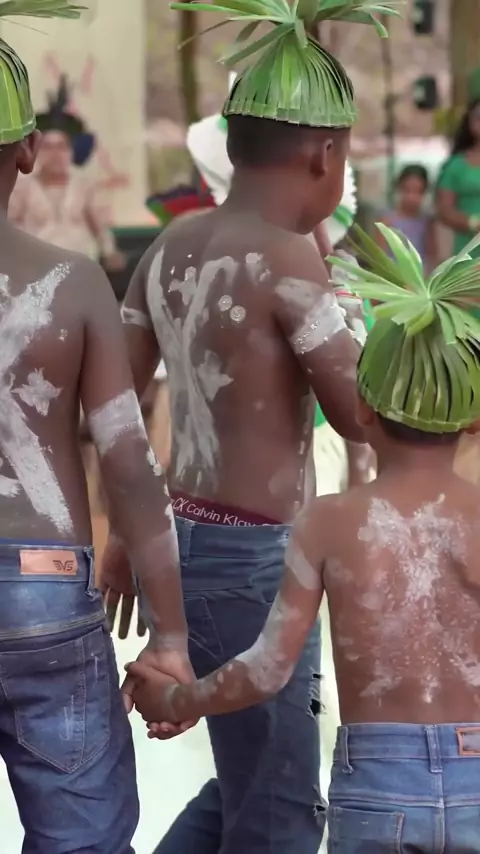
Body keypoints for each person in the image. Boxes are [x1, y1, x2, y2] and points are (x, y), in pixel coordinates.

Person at [107, 3, 401, 853]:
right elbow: (355, 414)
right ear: (325, 155)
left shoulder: (170, 245)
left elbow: (116, 413)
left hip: (180, 545)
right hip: (257, 562)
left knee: (250, 774)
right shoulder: (288, 252)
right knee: (278, 808)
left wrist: (127, 537)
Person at [127, 222, 480, 852]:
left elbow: (267, 670)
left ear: (361, 409)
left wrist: (179, 698)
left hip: (378, 789)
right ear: (473, 419)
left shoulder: (327, 522)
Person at [0, 3, 190, 852]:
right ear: (27, 151)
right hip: (44, 586)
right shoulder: (75, 285)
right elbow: (130, 465)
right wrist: (171, 640)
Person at [9, 74, 125, 271]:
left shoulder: (85, 187)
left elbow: (101, 231)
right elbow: (8, 231)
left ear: (72, 152)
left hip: (79, 271)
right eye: (47, 147)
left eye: (62, 147)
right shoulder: (22, 188)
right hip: (34, 273)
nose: (55, 155)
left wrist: (110, 253)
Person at [436, 99, 480, 261]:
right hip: (469, 257)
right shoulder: (456, 165)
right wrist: (474, 223)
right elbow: (444, 211)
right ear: (470, 122)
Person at [379, 163, 438, 270]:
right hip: (393, 276)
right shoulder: (387, 221)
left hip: (421, 276)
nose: (412, 197)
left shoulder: (426, 222)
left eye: (418, 192)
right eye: (407, 191)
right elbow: (379, 257)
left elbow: (432, 257)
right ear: (399, 189)